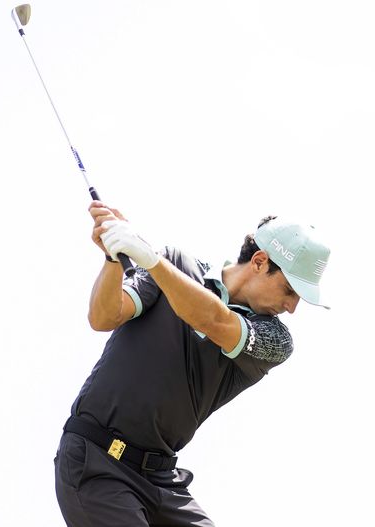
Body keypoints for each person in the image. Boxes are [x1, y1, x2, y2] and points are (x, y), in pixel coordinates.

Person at [54, 201, 331, 527]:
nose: (292, 306)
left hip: (161, 480)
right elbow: (104, 316)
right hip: (97, 464)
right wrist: (114, 256)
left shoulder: (276, 339)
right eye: (290, 289)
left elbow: (214, 320)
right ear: (259, 262)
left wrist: (150, 259)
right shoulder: (175, 264)